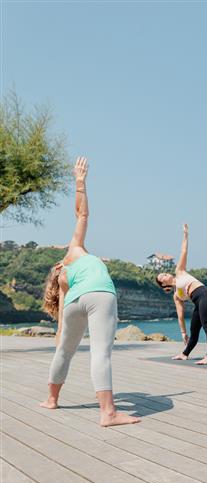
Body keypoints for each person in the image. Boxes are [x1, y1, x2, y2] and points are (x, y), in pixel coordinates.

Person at [40, 157, 139, 426]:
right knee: (101, 352)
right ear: (59, 264)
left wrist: (60, 334)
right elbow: (82, 214)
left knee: (64, 351)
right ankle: (108, 412)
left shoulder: (64, 281)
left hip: (75, 303)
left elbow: (62, 323)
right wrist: (80, 182)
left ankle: (51, 400)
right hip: (100, 295)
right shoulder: (74, 251)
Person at [155, 224, 207, 365]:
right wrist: (183, 333)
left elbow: (183, 251)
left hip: (206, 296)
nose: (165, 275)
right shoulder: (177, 296)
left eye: (164, 273)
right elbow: (180, 316)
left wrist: (185, 235)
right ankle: (184, 354)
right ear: (164, 285)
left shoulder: (180, 271)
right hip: (199, 302)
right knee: (193, 330)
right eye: (162, 277)